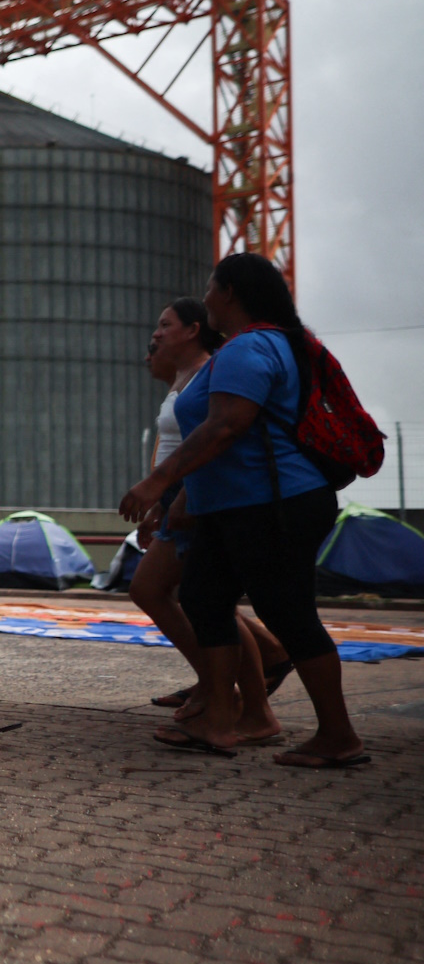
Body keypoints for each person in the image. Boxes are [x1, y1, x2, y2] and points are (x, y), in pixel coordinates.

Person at [119, 253, 366, 768]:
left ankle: (338, 735)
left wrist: (157, 482)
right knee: (206, 599)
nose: (205, 296)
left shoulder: (250, 348)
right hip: (234, 506)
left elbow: (226, 426)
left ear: (228, 293)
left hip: (272, 504)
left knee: (289, 615)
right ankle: (225, 720)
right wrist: (184, 503)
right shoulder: (262, 346)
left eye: (210, 287)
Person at [130, 301, 289, 735]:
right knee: (195, 597)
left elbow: (211, 439)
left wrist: (173, 499)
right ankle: (226, 690)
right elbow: (173, 444)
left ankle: (238, 697)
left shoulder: (209, 372)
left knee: (199, 598)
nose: (156, 336)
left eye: (165, 325)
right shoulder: (185, 378)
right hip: (180, 496)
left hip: (196, 496)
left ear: (192, 330)